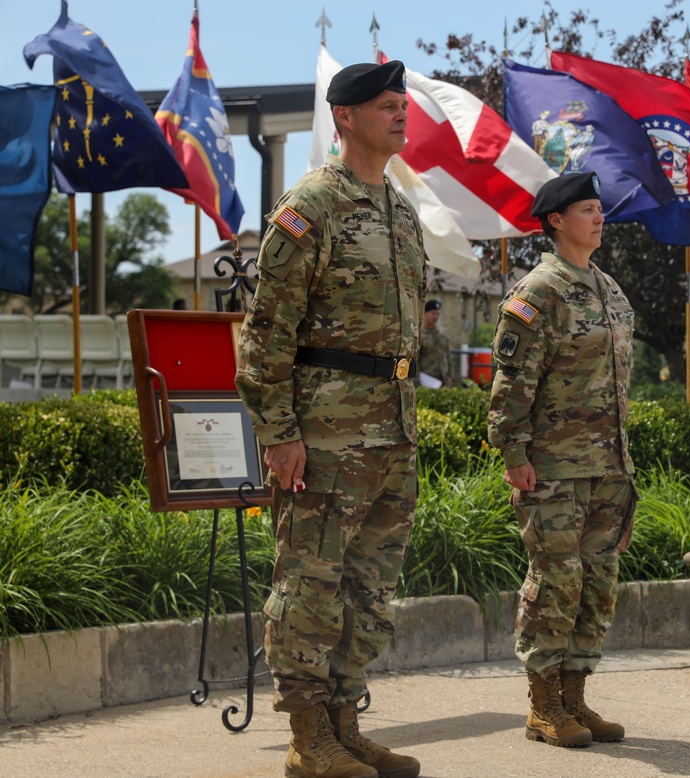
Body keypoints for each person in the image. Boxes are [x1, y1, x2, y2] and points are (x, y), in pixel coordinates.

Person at [235, 60, 424, 778]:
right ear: (344, 117)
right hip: (326, 434)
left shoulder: (400, 212)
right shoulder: (311, 203)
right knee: (310, 584)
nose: (401, 114)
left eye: (403, 105)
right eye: (385, 105)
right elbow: (266, 333)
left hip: (392, 432)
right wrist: (279, 436)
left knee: (368, 591)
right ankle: (307, 737)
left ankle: (346, 726)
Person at [488, 172, 636, 749]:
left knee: (598, 582)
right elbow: (512, 382)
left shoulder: (609, 289)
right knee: (556, 581)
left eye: (601, 209)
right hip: (551, 466)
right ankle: (543, 706)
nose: (599, 218)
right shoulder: (538, 293)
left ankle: (576, 698)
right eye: (587, 210)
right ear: (556, 221)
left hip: (608, 466)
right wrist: (514, 452)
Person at [417, 299, 452, 387]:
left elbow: (448, 357)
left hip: (443, 381)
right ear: (424, 314)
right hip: (426, 380)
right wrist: (417, 383)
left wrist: (450, 376)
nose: (435, 316)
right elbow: (415, 362)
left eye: (437, 314)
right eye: (433, 313)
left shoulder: (442, 336)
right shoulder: (419, 336)